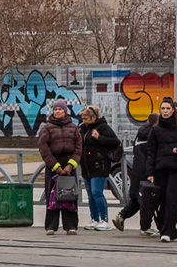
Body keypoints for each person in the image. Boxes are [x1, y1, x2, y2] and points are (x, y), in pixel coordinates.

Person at [147, 96, 177, 243]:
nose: (165, 111)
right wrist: (150, 172)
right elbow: (151, 151)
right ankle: (169, 231)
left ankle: (167, 231)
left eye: (168, 108)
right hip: (161, 168)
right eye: (163, 109)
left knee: (172, 199)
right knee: (162, 200)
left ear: (173, 110)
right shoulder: (155, 129)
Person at [37, 98, 82, 235]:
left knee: (70, 195)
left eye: (60, 109)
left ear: (65, 111)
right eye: (55, 109)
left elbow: (79, 148)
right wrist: (55, 166)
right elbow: (43, 148)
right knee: (52, 196)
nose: (57, 112)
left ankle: (71, 226)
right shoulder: (47, 127)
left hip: (69, 165)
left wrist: (70, 165)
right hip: (53, 165)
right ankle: (51, 226)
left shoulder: (74, 128)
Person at [79, 106, 120, 231]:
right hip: (87, 166)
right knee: (90, 194)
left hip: (99, 165)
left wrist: (99, 138)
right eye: (83, 118)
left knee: (97, 192)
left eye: (86, 118)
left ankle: (104, 219)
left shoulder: (102, 127)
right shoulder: (83, 128)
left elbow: (115, 141)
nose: (84, 121)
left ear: (94, 117)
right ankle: (95, 219)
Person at [112, 118, 156, 234]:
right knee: (147, 200)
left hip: (137, 170)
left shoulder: (141, 134)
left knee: (137, 198)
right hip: (148, 172)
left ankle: (121, 216)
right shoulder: (152, 137)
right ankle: (146, 227)